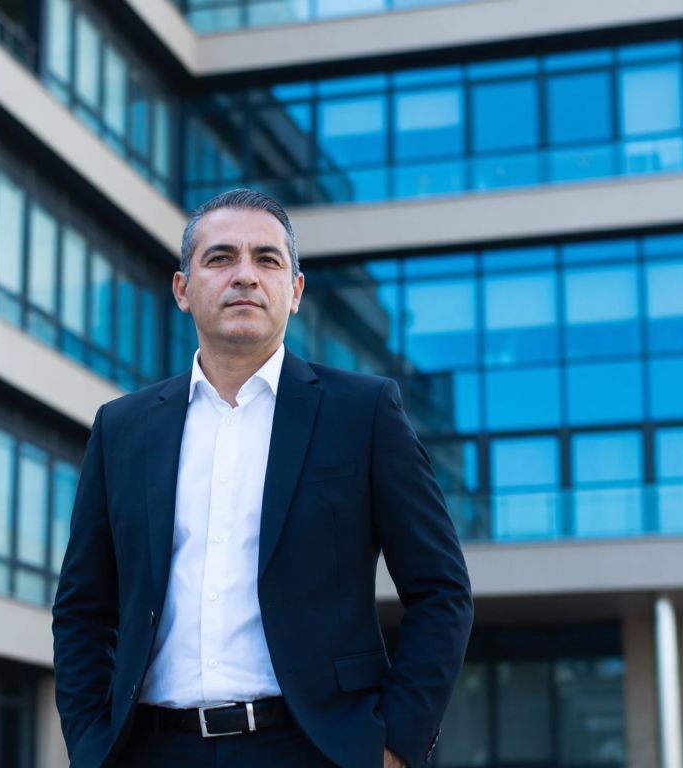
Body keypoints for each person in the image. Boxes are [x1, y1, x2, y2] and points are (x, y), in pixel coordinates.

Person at [52, 189, 473, 768]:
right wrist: (90, 746)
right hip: (149, 749)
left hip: (315, 747)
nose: (245, 276)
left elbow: (441, 590)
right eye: (221, 258)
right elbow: (82, 609)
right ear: (183, 289)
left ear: (295, 292)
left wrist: (398, 743)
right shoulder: (122, 428)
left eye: (268, 260)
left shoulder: (365, 412)